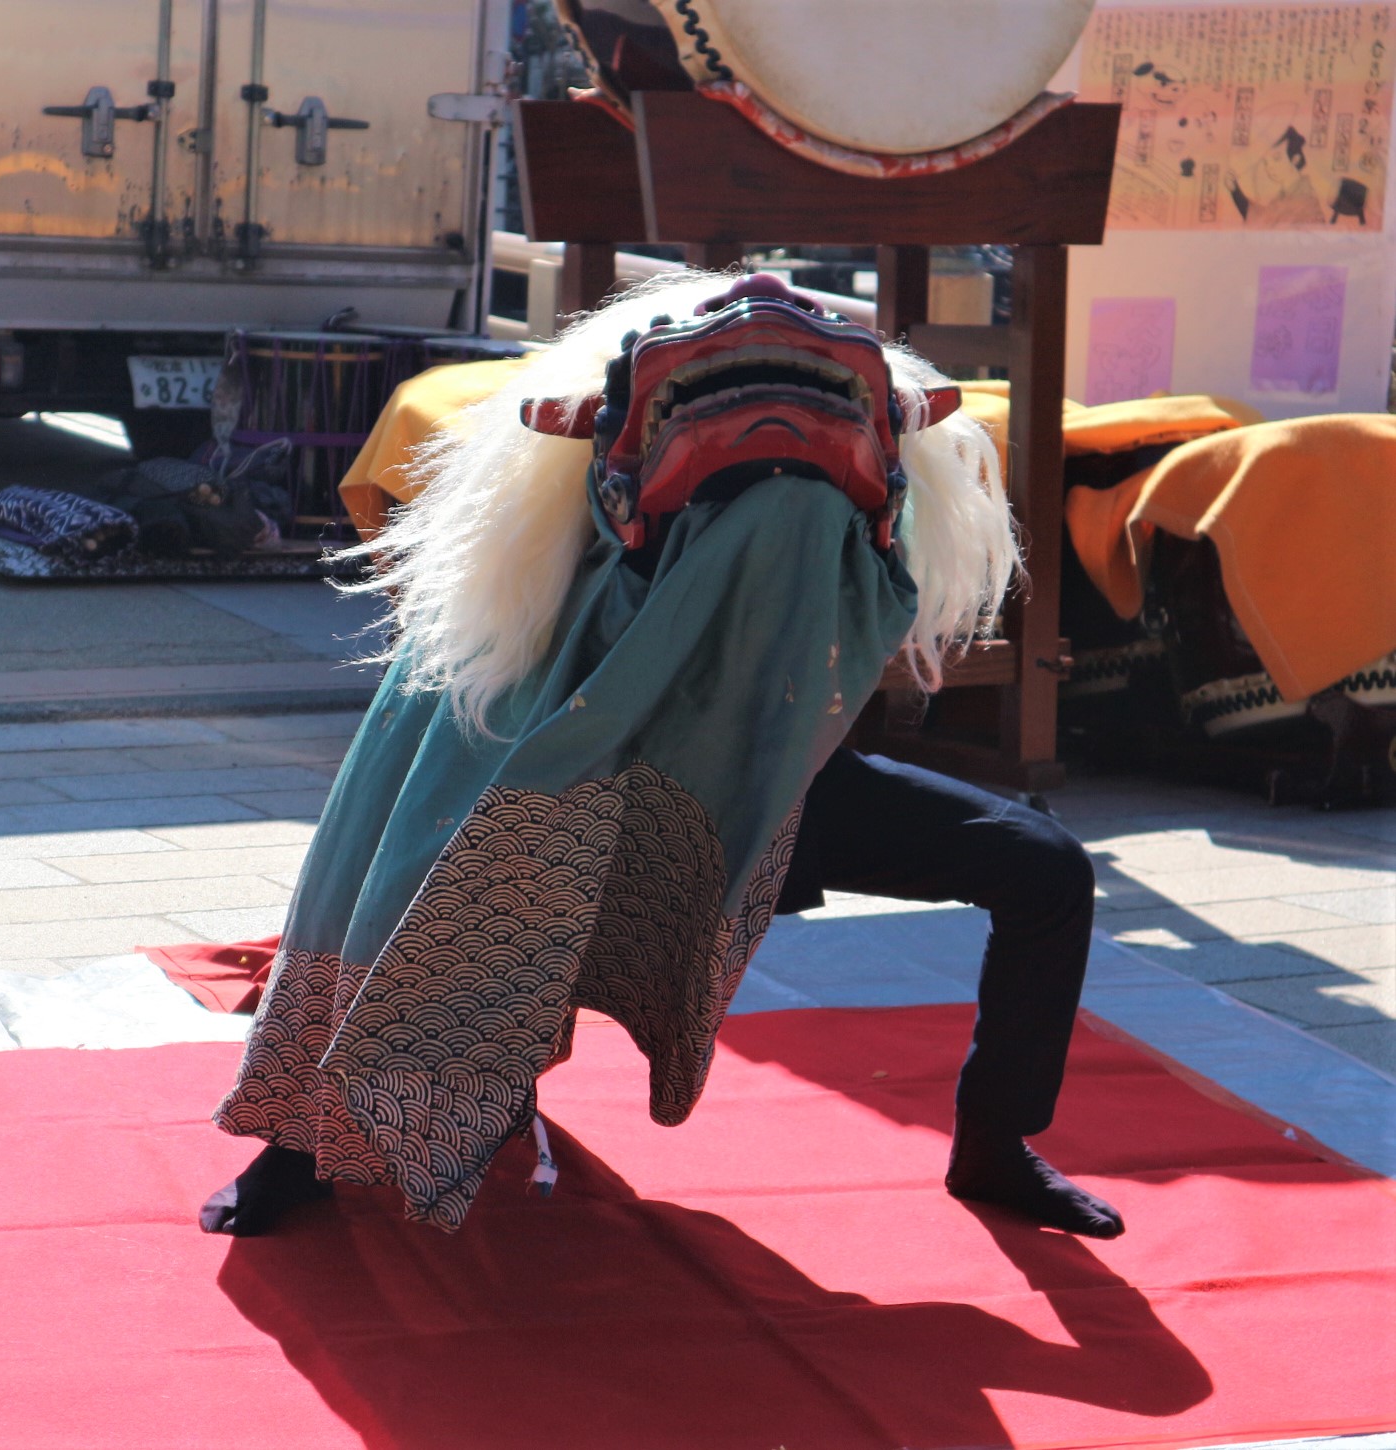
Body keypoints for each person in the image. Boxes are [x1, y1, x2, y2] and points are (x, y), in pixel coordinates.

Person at [201, 272, 1122, 1240]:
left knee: (1045, 867)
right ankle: (298, 1139)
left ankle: (998, 1141)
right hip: (562, 764)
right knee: (428, 893)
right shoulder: (526, 601)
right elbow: (373, 855)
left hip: (766, 782)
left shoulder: (854, 512)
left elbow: (852, 625)